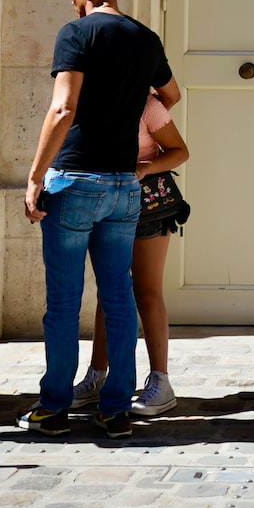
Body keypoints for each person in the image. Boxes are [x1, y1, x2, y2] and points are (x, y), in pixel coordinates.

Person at [20, 0, 181, 439]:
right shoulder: (145, 37)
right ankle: (116, 409)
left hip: (75, 179)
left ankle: (54, 406)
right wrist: (129, 110)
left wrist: (34, 176)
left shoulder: (78, 34)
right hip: (123, 184)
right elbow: (171, 95)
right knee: (118, 296)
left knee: (65, 301)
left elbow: (62, 107)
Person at [72, 91, 190, 416]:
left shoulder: (146, 104)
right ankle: (97, 375)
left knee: (147, 291)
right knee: (108, 291)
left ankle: (161, 382)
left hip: (147, 205)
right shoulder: (84, 98)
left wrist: (145, 167)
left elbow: (180, 151)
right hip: (104, 202)